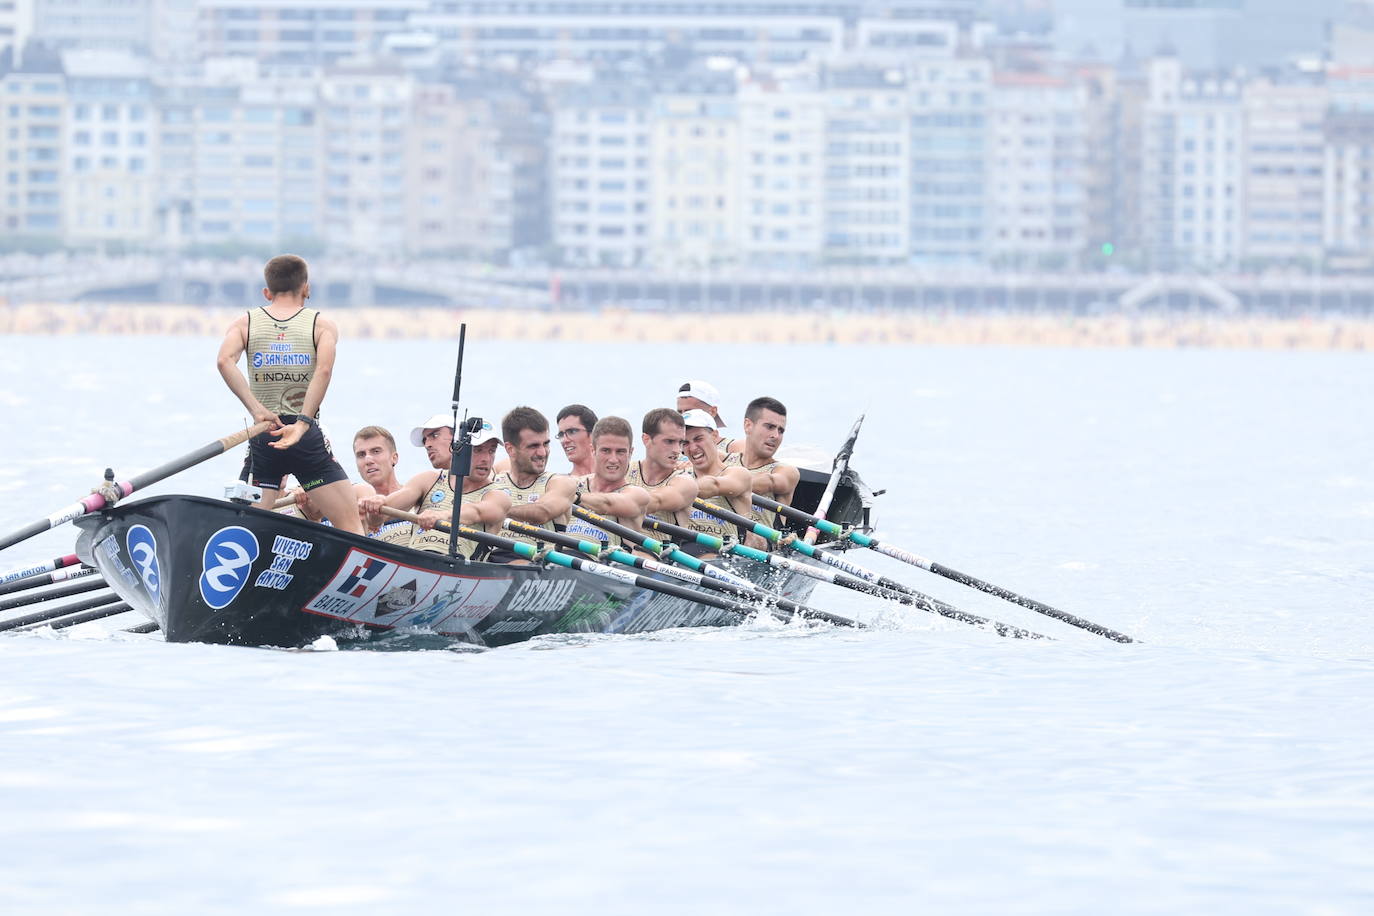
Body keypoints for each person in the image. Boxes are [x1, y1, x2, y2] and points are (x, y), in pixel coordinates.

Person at [215, 254, 363, 534]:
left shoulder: (244, 323)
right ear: (306, 287)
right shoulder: (322, 325)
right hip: (304, 436)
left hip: (265, 432)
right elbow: (323, 371)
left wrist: (256, 410)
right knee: (351, 527)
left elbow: (224, 361)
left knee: (248, 530)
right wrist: (303, 423)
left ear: (267, 292)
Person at [360, 412, 511, 558]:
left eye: (491, 451)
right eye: (478, 450)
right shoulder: (427, 480)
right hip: (416, 560)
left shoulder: (498, 496)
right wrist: (377, 505)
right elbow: (378, 520)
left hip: (456, 571)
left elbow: (476, 512)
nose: (486, 459)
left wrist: (441, 515)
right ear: (458, 448)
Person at [489, 406, 578, 563]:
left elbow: (542, 513)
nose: (543, 453)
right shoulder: (494, 481)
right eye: (533, 446)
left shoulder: (560, 483)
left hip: (537, 563)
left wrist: (491, 510)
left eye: (546, 444)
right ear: (510, 449)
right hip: (492, 559)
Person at [680, 409, 764, 556]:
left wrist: (672, 491)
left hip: (731, 553)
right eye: (685, 443)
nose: (693, 448)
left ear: (714, 436)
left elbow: (712, 486)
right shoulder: (680, 477)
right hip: (690, 552)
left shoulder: (738, 474)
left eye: (698, 439)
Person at [565, 416, 650, 551]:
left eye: (620, 452)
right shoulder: (574, 484)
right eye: (606, 451)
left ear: (631, 453)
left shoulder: (637, 495)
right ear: (593, 450)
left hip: (608, 568)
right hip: (559, 567)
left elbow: (607, 504)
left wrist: (571, 498)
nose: (613, 459)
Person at [723, 395, 800, 533]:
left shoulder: (785, 472)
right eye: (770, 427)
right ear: (748, 426)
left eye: (780, 430)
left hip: (758, 546)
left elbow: (767, 482)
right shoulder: (724, 460)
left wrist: (715, 486)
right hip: (716, 539)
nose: (776, 436)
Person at [625, 408, 698, 529]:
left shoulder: (685, 482)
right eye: (669, 441)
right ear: (646, 439)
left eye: (680, 443)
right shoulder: (624, 471)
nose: (677, 450)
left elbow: (653, 501)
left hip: (661, 547)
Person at [677, 379, 739, 454]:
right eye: (680, 412)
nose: (684, 417)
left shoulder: (733, 448)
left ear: (713, 411)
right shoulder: (674, 451)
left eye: (690, 412)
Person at [555, 404, 597, 476]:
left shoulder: (618, 480)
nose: (565, 440)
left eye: (572, 432)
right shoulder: (560, 484)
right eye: (561, 434)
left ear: (593, 434)